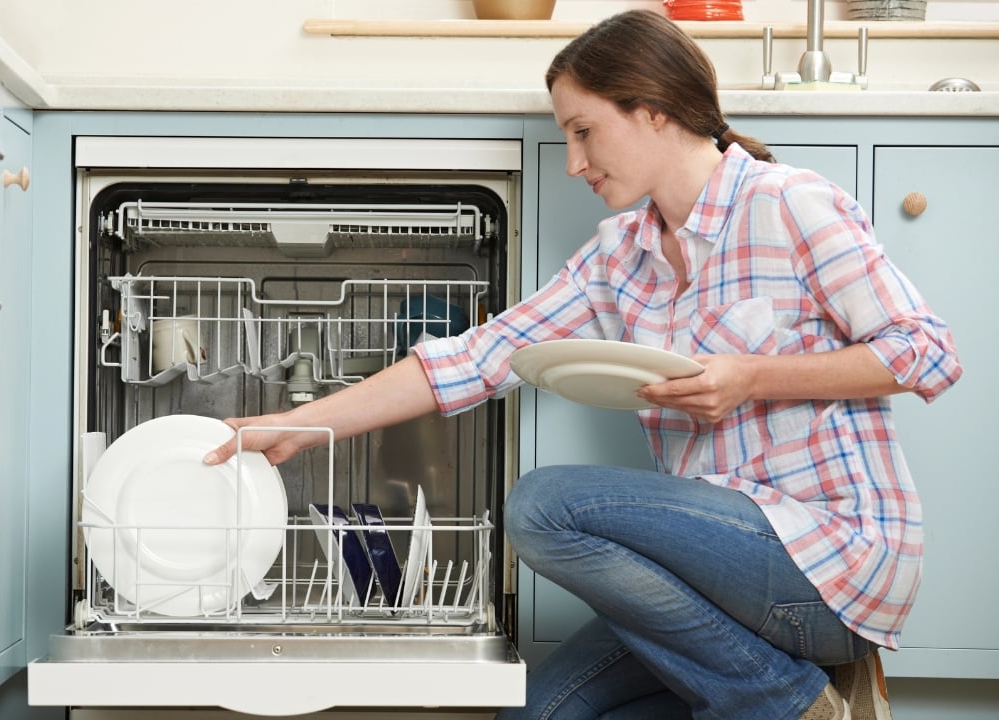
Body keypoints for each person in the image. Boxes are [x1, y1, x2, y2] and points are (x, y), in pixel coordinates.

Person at [205, 9, 961, 719]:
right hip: (711, 579)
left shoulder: (788, 203)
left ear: (654, 110)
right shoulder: (619, 255)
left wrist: (751, 378)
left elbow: (925, 352)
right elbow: (478, 357)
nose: (573, 163)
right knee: (538, 711)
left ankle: (787, 703)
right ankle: (774, 689)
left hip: (832, 560)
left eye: (584, 132)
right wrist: (299, 425)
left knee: (543, 506)